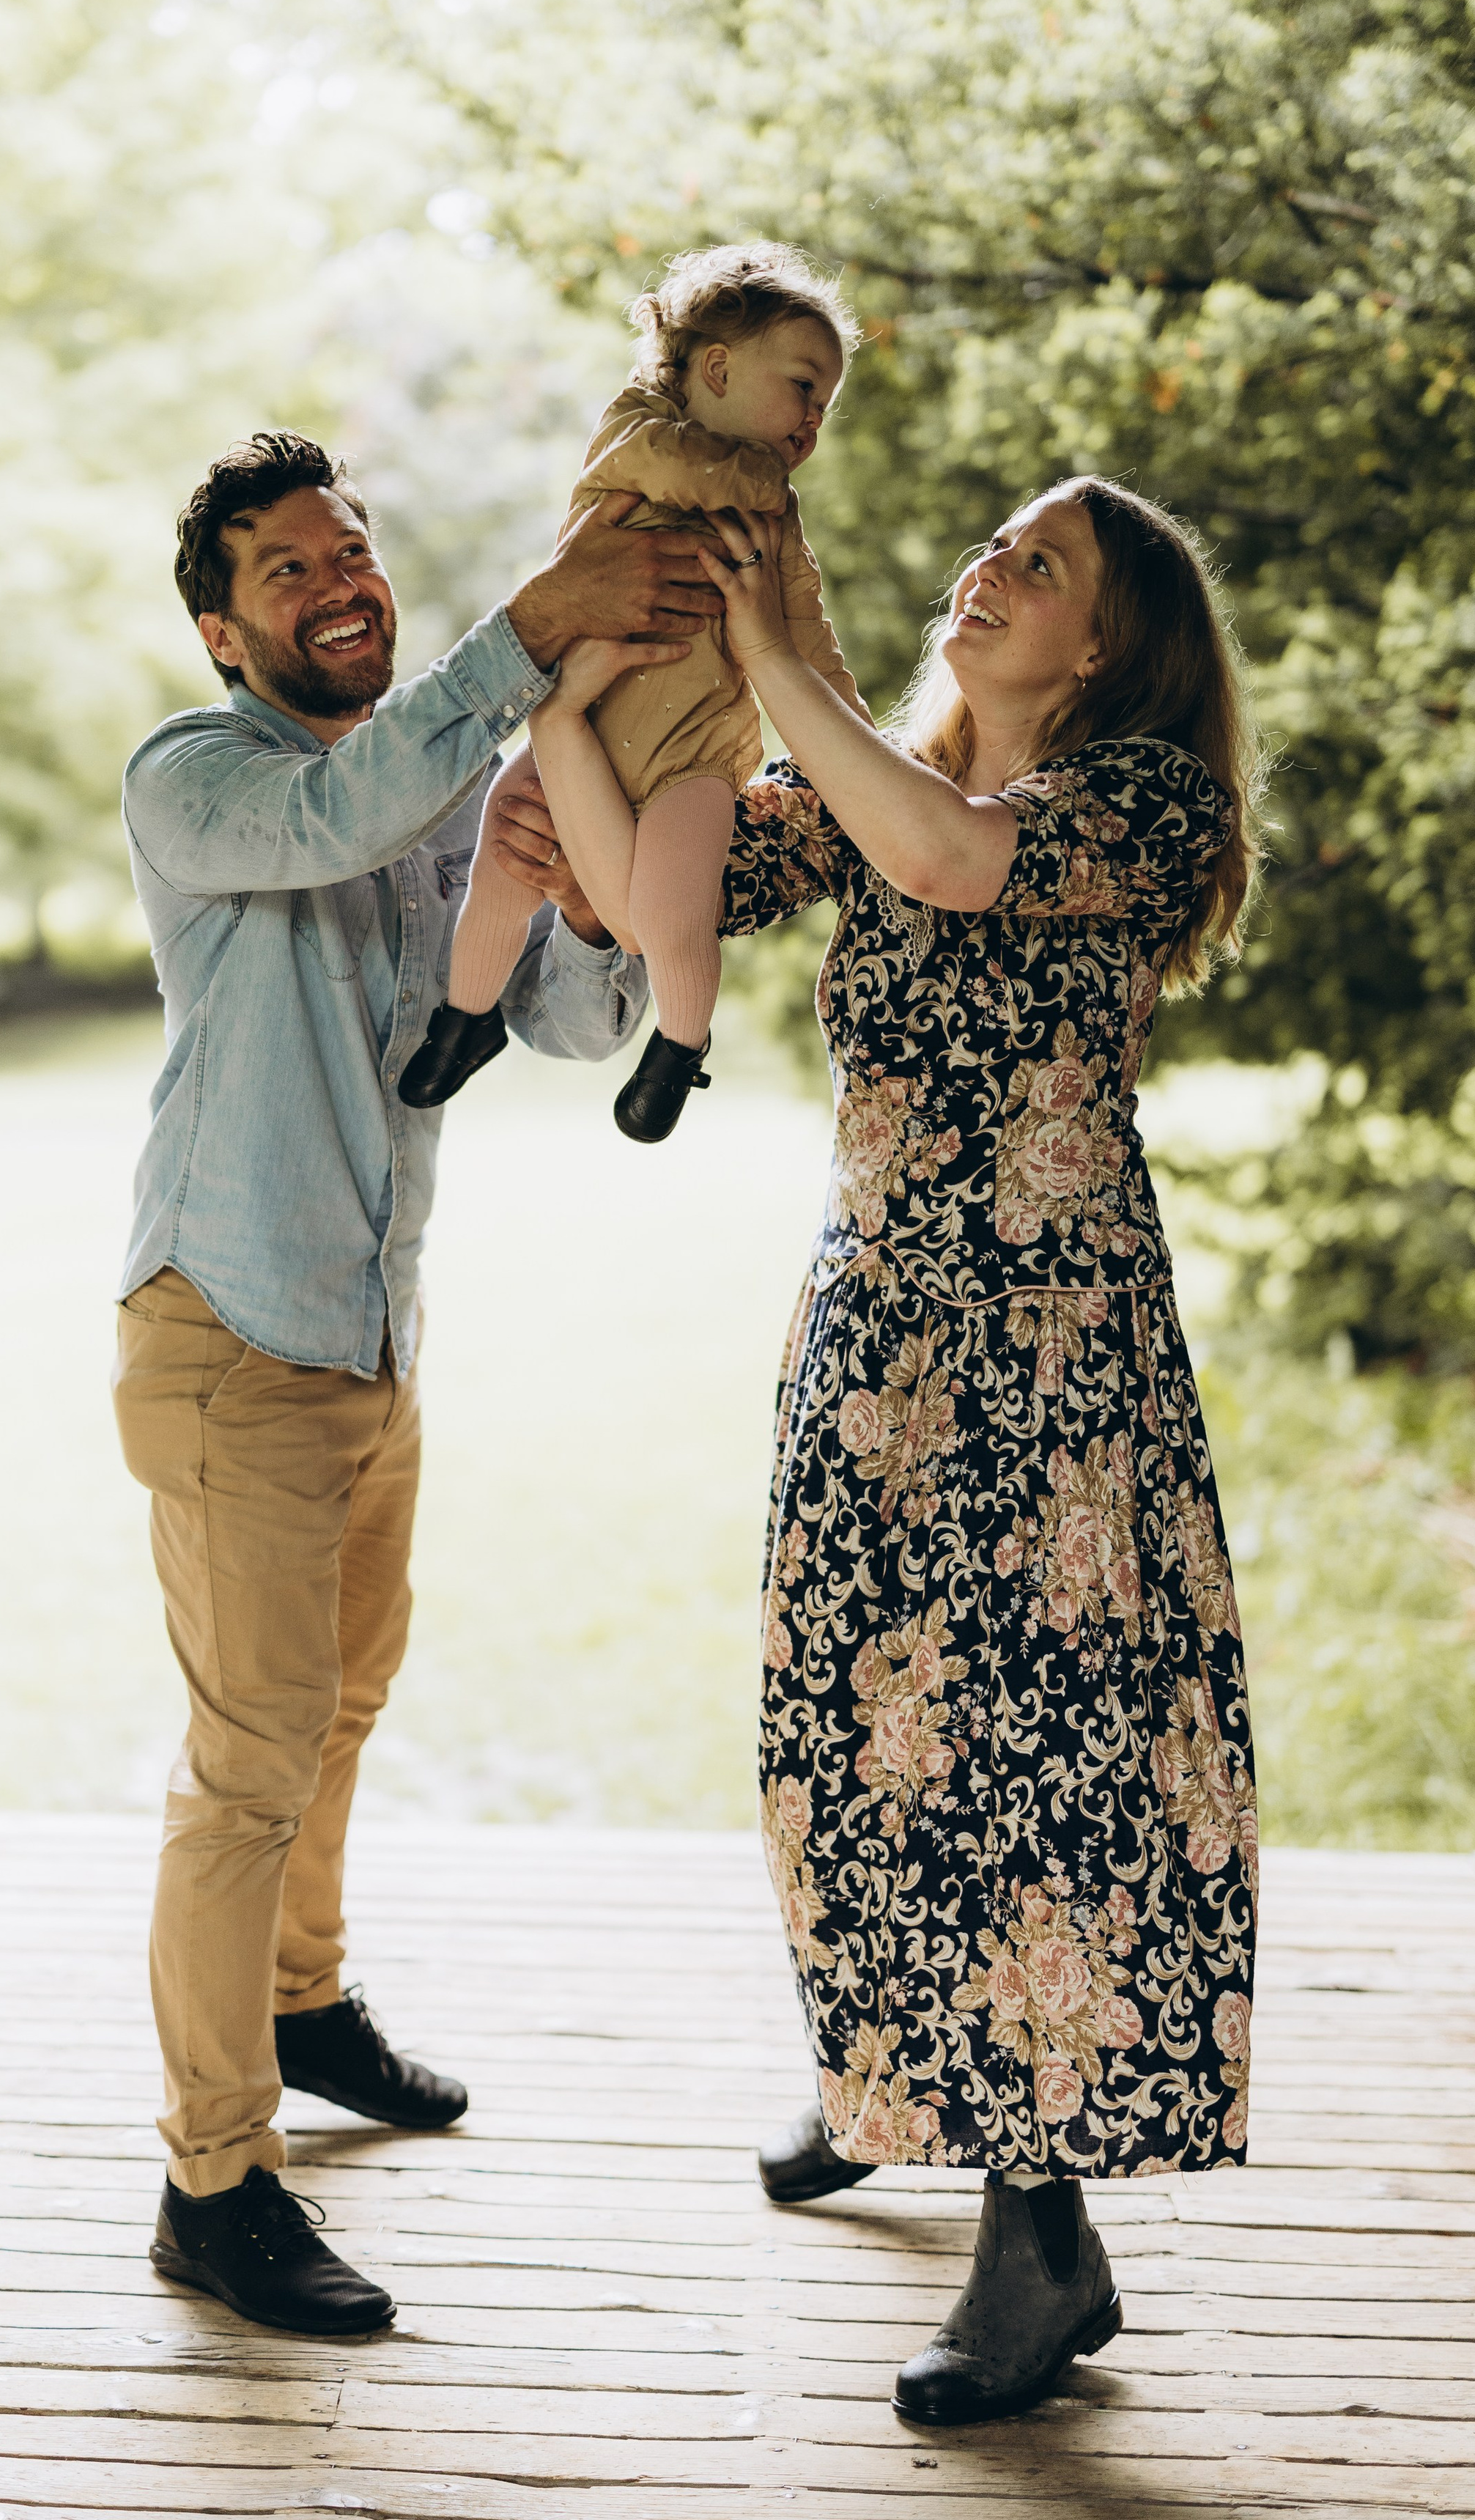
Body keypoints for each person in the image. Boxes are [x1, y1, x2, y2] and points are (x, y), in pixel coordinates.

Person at [637, 474, 1260, 2424]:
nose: (992, 572)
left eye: (1042, 566)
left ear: (1109, 644)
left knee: (1038, 1746)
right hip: (881, 1328)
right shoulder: (869, 776)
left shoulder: (1141, 802)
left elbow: (962, 859)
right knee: (861, 1719)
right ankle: (894, 2071)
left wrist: (780, 661)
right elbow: (662, 879)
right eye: (991, 548)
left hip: (1054, 1354)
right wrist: (596, 705)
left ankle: (1039, 2229)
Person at [110, 429, 707, 2342]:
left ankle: (303, 2003)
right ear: (223, 628)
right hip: (231, 1338)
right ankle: (213, 2183)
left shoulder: (434, 783)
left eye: (351, 546)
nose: (337, 576)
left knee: (344, 1709)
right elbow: (334, 826)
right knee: (246, 1763)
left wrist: (597, 894)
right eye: (288, 568)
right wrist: (525, 639)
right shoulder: (200, 779)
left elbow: (557, 1010)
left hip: (374, 1340)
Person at [400, 243, 863, 1144]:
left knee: (672, 909)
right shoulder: (636, 430)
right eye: (804, 386)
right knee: (507, 845)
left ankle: (677, 1051)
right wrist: (763, 488)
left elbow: (809, 642)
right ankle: (466, 1017)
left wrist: (864, 747)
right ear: (717, 368)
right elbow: (683, 467)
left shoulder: (774, 522)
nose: (814, 420)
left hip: (694, 754)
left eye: (825, 406)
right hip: (584, 719)